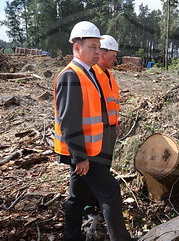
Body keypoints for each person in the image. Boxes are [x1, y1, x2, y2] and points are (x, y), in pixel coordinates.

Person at [53, 21, 131, 241]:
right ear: (76, 47)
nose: (97, 52)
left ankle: (70, 237)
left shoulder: (89, 73)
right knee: (111, 191)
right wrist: (79, 158)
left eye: (98, 47)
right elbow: (69, 121)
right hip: (84, 153)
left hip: (90, 149)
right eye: (91, 47)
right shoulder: (71, 76)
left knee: (78, 197)